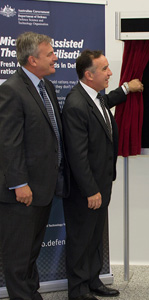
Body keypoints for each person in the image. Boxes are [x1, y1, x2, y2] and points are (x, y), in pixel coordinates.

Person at [62, 50, 143, 300]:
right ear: (89, 75)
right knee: (81, 238)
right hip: (86, 190)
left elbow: (105, 104)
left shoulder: (95, 97)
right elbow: (77, 155)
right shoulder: (76, 104)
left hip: (100, 185)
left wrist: (126, 89)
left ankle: (93, 280)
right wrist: (91, 190)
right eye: (105, 69)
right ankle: (78, 290)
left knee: (95, 236)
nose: (110, 73)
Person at [0, 32, 68, 300]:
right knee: (18, 257)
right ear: (32, 59)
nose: (55, 57)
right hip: (22, 193)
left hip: (43, 188)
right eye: (50, 53)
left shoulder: (46, 86)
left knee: (31, 253)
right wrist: (19, 184)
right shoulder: (11, 90)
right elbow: (9, 144)